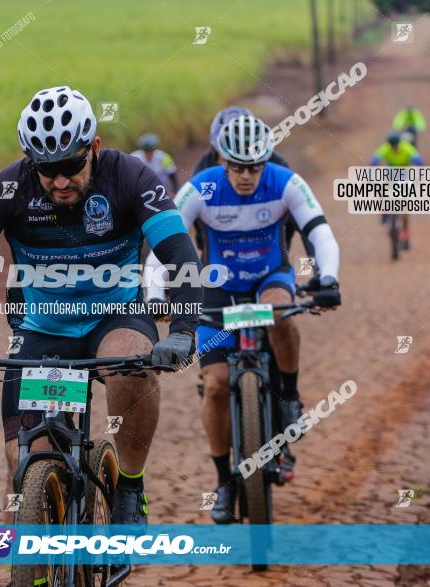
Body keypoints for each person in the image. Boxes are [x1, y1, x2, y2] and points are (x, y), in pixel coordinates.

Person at [0, 86, 203, 528]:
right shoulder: (8, 188)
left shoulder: (131, 177)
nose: (61, 181)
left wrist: (183, 330)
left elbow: (180, 255)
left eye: (70, 166)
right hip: (42, 328)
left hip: (116, 316)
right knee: (20, 460)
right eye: (48, 171)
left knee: (132, 367)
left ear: (95, 148)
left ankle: (130, 484)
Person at [145, 115, 342, 524]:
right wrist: (156, 293)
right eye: (237, 166)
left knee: (280, 314)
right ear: (222, 160)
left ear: (266, 161)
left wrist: (328, 278)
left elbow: (318, 229)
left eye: (255, 166)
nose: (246, 176)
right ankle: (224, 481)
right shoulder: (201, 187)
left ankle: (288, 397)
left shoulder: (285, 181)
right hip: (216, 290)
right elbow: (163, 242)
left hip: (269, 278)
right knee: (215, 387)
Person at [193, 106, 317, 281]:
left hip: (269, 236)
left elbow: (303, 224)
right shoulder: (204, 168)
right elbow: (196, 223)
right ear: (216, 150)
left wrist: (314, 270)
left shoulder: (274, 163)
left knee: (294, 222)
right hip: (222, 243)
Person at [371, 132, 423, 250]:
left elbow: (419, 161)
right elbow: (374, 160)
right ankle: (385, 210)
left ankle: (405, 234)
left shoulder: (407, 148)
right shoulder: (386, 148)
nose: (394, 148)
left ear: (400, 143)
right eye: (392, 146)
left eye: (396, 145)